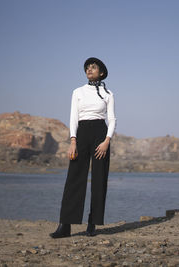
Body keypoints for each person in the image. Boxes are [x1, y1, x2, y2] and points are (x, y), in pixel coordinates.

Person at [50, 57, 116, 238]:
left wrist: (106, 141)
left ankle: (92, 223)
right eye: (87, 67)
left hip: (101, 134)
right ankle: (65, 226)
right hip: (82, 132)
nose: (89, 69)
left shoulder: (109, 94)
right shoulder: (77, 92)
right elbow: (73, 117)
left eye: (93, 67)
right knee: (74, 178)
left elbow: (112, 119)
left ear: (101, 72)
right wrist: (73, 141)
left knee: (99, 178)